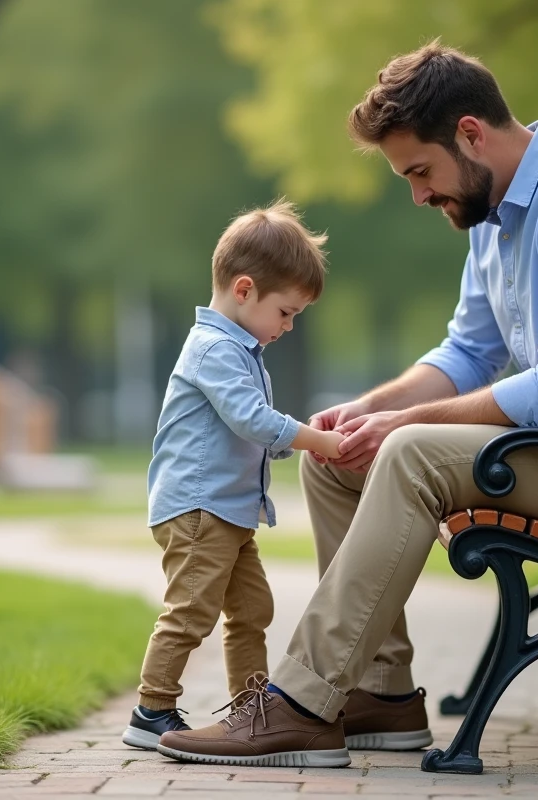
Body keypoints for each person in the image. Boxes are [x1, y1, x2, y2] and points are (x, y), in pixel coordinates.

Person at [156, 41, 538, 768]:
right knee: (338, 460)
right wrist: (361, 412)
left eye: (420, 171)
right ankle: (382, 696)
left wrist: (404, 424)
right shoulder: (497, 219)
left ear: (471, 133)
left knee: (409, 450)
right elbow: (465, 357)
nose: (418, 195)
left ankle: (300, 699)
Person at [122, 199, 343, 750]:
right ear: (244, 291)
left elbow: (251, 430)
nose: (289, 326)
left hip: (227, 511)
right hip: (199, 509)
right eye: (286, 312)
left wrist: (301, 439)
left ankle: (250, 709)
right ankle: (152, 709)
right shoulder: (214, 349)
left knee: (252, 610)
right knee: (193, 608)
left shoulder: (241, 351)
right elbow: (251, 419)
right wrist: (316, 439)